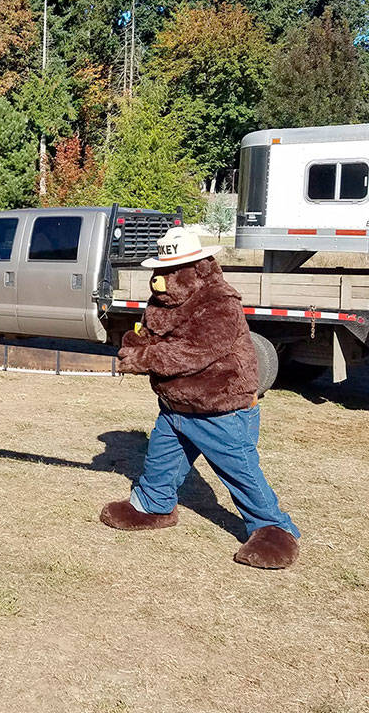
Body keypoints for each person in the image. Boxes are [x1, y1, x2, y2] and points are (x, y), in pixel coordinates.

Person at [101, 228, 301, 569]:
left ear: (198, 268)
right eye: (159, 272)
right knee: (161, 461)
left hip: (220, 408)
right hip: (175, 405)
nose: (160, 281)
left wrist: (145, 360)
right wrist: (134, 346)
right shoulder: (162, 302)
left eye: (170, 272)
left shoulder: (219, 301)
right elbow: (148, 334)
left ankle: (274, 528)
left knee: (240, 471)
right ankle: (153, 504)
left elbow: (196, 351)